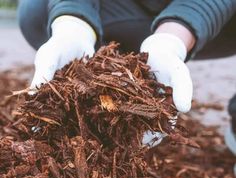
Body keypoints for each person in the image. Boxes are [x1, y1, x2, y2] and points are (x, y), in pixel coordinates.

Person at [17, 0, 236, 151]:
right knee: (37, 9)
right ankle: (104, 48)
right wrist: (73, 23)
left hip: (222, 17)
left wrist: (172, 40)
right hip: (129, 8)